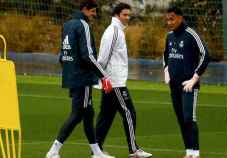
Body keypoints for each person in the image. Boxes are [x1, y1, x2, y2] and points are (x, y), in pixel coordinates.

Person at [46, 1, 114, 158]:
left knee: (88, 113)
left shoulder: (67, 24)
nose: (94, 15)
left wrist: (69, 72)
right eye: (93, 11)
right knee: (77, 114)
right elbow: (88, 55)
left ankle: (97, 152)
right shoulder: (83, 25)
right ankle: (54, 150)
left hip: (72, 75)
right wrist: (103, 76)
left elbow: (63, 54)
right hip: (82, 78)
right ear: (84, 10)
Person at [95, 2, 152, 158]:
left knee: (105, 117)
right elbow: (102, 58)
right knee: (129, 113)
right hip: (115, 82)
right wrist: (103, 78)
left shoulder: (118, 31)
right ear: (116, 15)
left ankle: (96, 150)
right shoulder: (113, 32)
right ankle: (133, 150)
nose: (127, 17)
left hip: (114, 81)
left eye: (129, 15)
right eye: (124, 15)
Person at [163, 6, 210, 158]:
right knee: (181, 119)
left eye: (172, 19)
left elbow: (205, 55)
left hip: (189, 85)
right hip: (174, 86)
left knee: (189, 117)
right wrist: (166, 71)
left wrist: (195, 77)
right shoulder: (169, 36)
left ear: (180, 18)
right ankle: (189, 152)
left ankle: (195, 153)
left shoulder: (191, 34)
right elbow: (165, 55)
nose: (169, 22)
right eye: (167, 19)